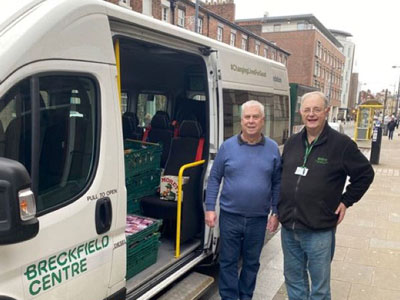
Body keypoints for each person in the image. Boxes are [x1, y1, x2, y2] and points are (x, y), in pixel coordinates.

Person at [278, 91, 374, 300]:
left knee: (320, 289)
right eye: (307, 110)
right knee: (294, 280)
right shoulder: (293, 142)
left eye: (316, 110)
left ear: (326, 112)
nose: (311, 114)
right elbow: (282, 177)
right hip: (289, 228)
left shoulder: (341, 144)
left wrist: (346, 201)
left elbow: (366, 174)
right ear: (301, 113)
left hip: (318, 230)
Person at [205, 100, 281, 300]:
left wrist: (276, 212)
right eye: (247, 117)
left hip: (258, 219)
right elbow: (214, 178)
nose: (251, 121)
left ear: (262, 121)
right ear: (241, 121)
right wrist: (210, 208)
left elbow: (277, 183)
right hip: (230, 217)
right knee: (228, 261)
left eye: (256, 117)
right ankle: (230, 297)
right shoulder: (227, 147)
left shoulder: (272, 149)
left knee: (251, 262)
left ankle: (246, 296)